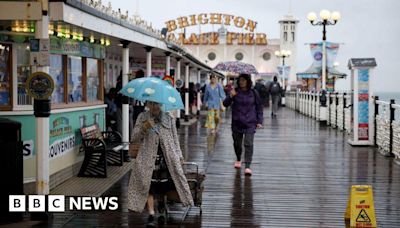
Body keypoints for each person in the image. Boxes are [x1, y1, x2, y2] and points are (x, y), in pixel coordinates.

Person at [128, 101, 194, 227]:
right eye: (152, 103)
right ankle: (152, 214)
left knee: (165, 186)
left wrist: (179, 156)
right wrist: (144, 127)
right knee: (147, 185)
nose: (155, 106)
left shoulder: (169, 118)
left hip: (167, 158)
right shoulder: (142, 117)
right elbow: (134, 137)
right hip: (147, 158)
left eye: (157, 103)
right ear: (147, 104)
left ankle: (162, 207)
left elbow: (175, 139)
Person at [223, 74, 263, 176]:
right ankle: (238, 158)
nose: (241, 82)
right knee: (237, 143)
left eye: (244, 80)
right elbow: (225, 104)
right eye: (240, 80)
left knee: (248, 144)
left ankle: (248, 166)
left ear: (248, 81)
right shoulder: (235, 91)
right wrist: (230, 96)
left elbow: (259, 107)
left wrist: (259, 121)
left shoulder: (254, 93)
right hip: (237, 122)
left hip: (250, 122)